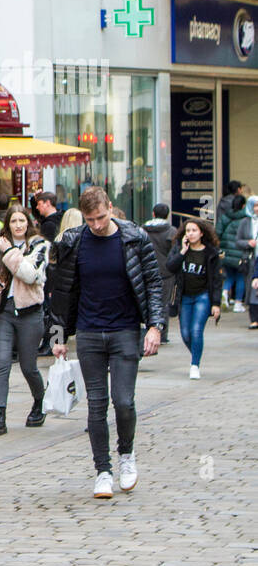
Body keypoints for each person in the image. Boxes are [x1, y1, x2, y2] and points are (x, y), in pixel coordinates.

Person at [50, 187, 165, 499]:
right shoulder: (74, 241)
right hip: (88, 332)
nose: (97, 224)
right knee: (97, 404)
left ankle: (126, 454)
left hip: (125, 330)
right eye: (90, 219)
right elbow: (61, 292)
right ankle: (103, 470)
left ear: (110, 209)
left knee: (124, 401)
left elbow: (154, 282)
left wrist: (155, 326)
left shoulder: (134, 237)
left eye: (101, 217)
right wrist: (58, 335)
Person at [0, 205, 50, 434]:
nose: (18, 225)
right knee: (1, 364)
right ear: (7, 224)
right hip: (4, 313)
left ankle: (40, 402)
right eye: (13, 221)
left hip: (30, 313)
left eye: (22, 221)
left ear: (28, 223)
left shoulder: (39, 245)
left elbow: (30, 275)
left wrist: (9, 251)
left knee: (29, 367)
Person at [164, 218, 222, 380]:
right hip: (184, 297)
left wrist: (216, 304)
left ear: (202, 233)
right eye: (188, 230)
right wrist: (182, 251)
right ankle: (197, 354)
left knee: (196, 330)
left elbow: (217, 280)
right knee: (185, 333)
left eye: (194, 230)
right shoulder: (179, 249)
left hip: (203, 296)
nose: (191, 233)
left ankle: (194, 365)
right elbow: (170, 267)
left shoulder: (211, 253)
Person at [141, 204, 175, 344]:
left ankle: (148, 330)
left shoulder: (142, 230)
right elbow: (174, 253)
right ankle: (162, 333)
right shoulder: (171, 231)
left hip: (145, 270)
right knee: (163, 303)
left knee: (146, 302)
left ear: (153, 213)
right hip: (165, 272)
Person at [215, 180, 245, 307]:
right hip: (240, 252)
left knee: (228, 276)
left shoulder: (224, 215)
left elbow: (218, 232)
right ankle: (238, 302)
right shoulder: (245, 219)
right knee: (240, 277)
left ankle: (225, 294)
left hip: (226, 251)